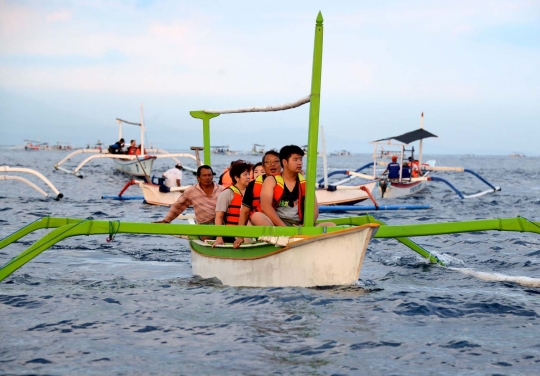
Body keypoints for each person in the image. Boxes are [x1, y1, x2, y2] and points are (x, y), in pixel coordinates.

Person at [254, 145, 335, 228]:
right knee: (257, 216)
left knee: (331, 225)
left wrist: (304, 226)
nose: (299, 163)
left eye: (300, 159)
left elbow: (315, 211)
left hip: (298, 224)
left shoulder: (305, 183)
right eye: (295, 159)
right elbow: (265, 206)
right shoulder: (271, 180)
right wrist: (284, 228)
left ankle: (298, 235)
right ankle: (284, 236)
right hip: (277, 224)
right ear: (285, 162)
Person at [233, 150, 282, 248]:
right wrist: (240, 236)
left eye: (276, 161)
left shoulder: (288, 181)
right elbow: (244, 212)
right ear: (263, 167)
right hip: (260, 222)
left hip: (283, 221)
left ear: (282, 164)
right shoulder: (253, 185)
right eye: (268, 162)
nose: (272, 164)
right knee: (255, 218)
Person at [153, 165, 224, 225]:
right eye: (204, 176)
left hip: (221, 223)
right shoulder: (191, 191)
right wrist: (166, 220)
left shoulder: (222, 189)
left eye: (209, 175)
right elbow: (178, 206)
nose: (207, 178)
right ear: (198, 177)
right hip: (204, 224)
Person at [212, 160, 252, 248]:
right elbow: (219, 216)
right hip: (232, 232)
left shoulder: (251, 192)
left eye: (249, 174)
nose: (249, 177)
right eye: (245, 175)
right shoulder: (227, 193)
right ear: (237, 178)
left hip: (249, 230)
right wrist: (219, 237)